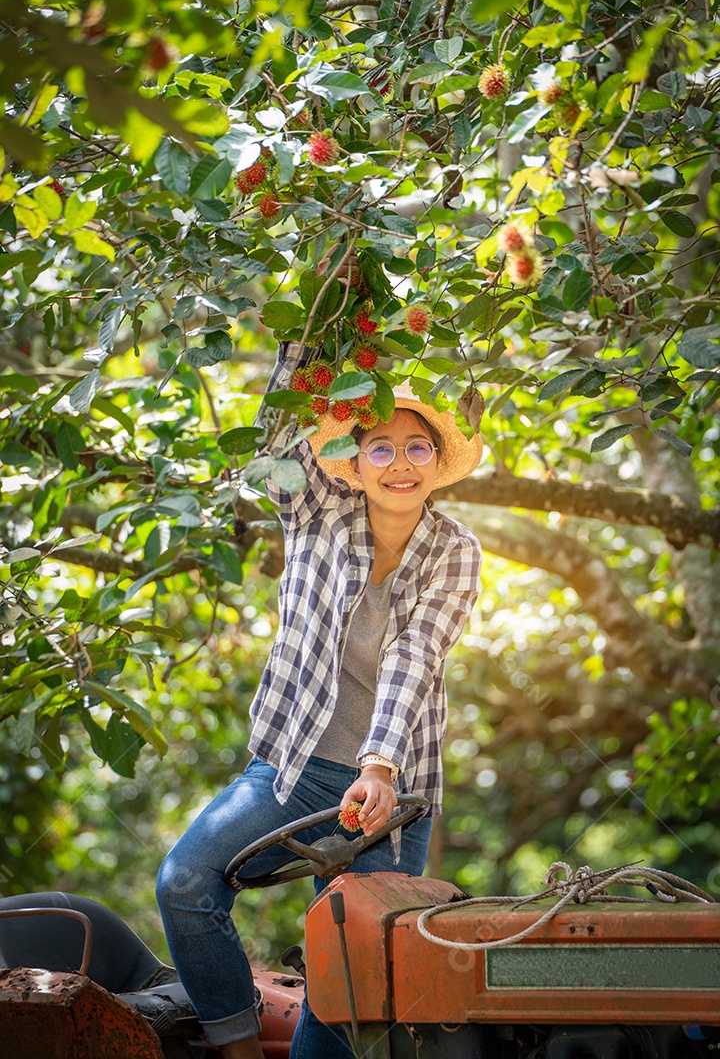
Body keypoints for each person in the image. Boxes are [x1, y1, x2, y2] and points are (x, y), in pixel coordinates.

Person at [156, 334, 483, 1059]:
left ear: (436, 461)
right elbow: (281, 441)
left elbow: (414, 655)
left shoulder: (457, 550)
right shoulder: (315, 515)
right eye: (382, 449)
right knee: (184, 880)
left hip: (389, 800)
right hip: (294, 771)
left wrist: (379, 766)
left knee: (348, 973)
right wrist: (316, 326)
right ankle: (238, 1043)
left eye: (416, 448)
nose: (399, 464)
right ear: (356, 462)